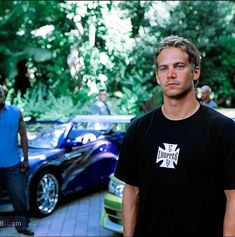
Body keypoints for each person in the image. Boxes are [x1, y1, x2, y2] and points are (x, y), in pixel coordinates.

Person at [114, 35, 235, 237]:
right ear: (157, 76)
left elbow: (233, 198)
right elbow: (131, 191)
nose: (170, 74)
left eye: (179, 66)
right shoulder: (139, 128)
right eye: (164, 68)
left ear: (195, 72)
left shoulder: (223, 130)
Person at [0, 85, 34, 236]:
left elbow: (24, 135)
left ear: (4, 95)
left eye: (0, 92)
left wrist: (25, 159)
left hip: (12, 165)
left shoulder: (15, 112)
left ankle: (21, 226)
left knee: (19, 198)